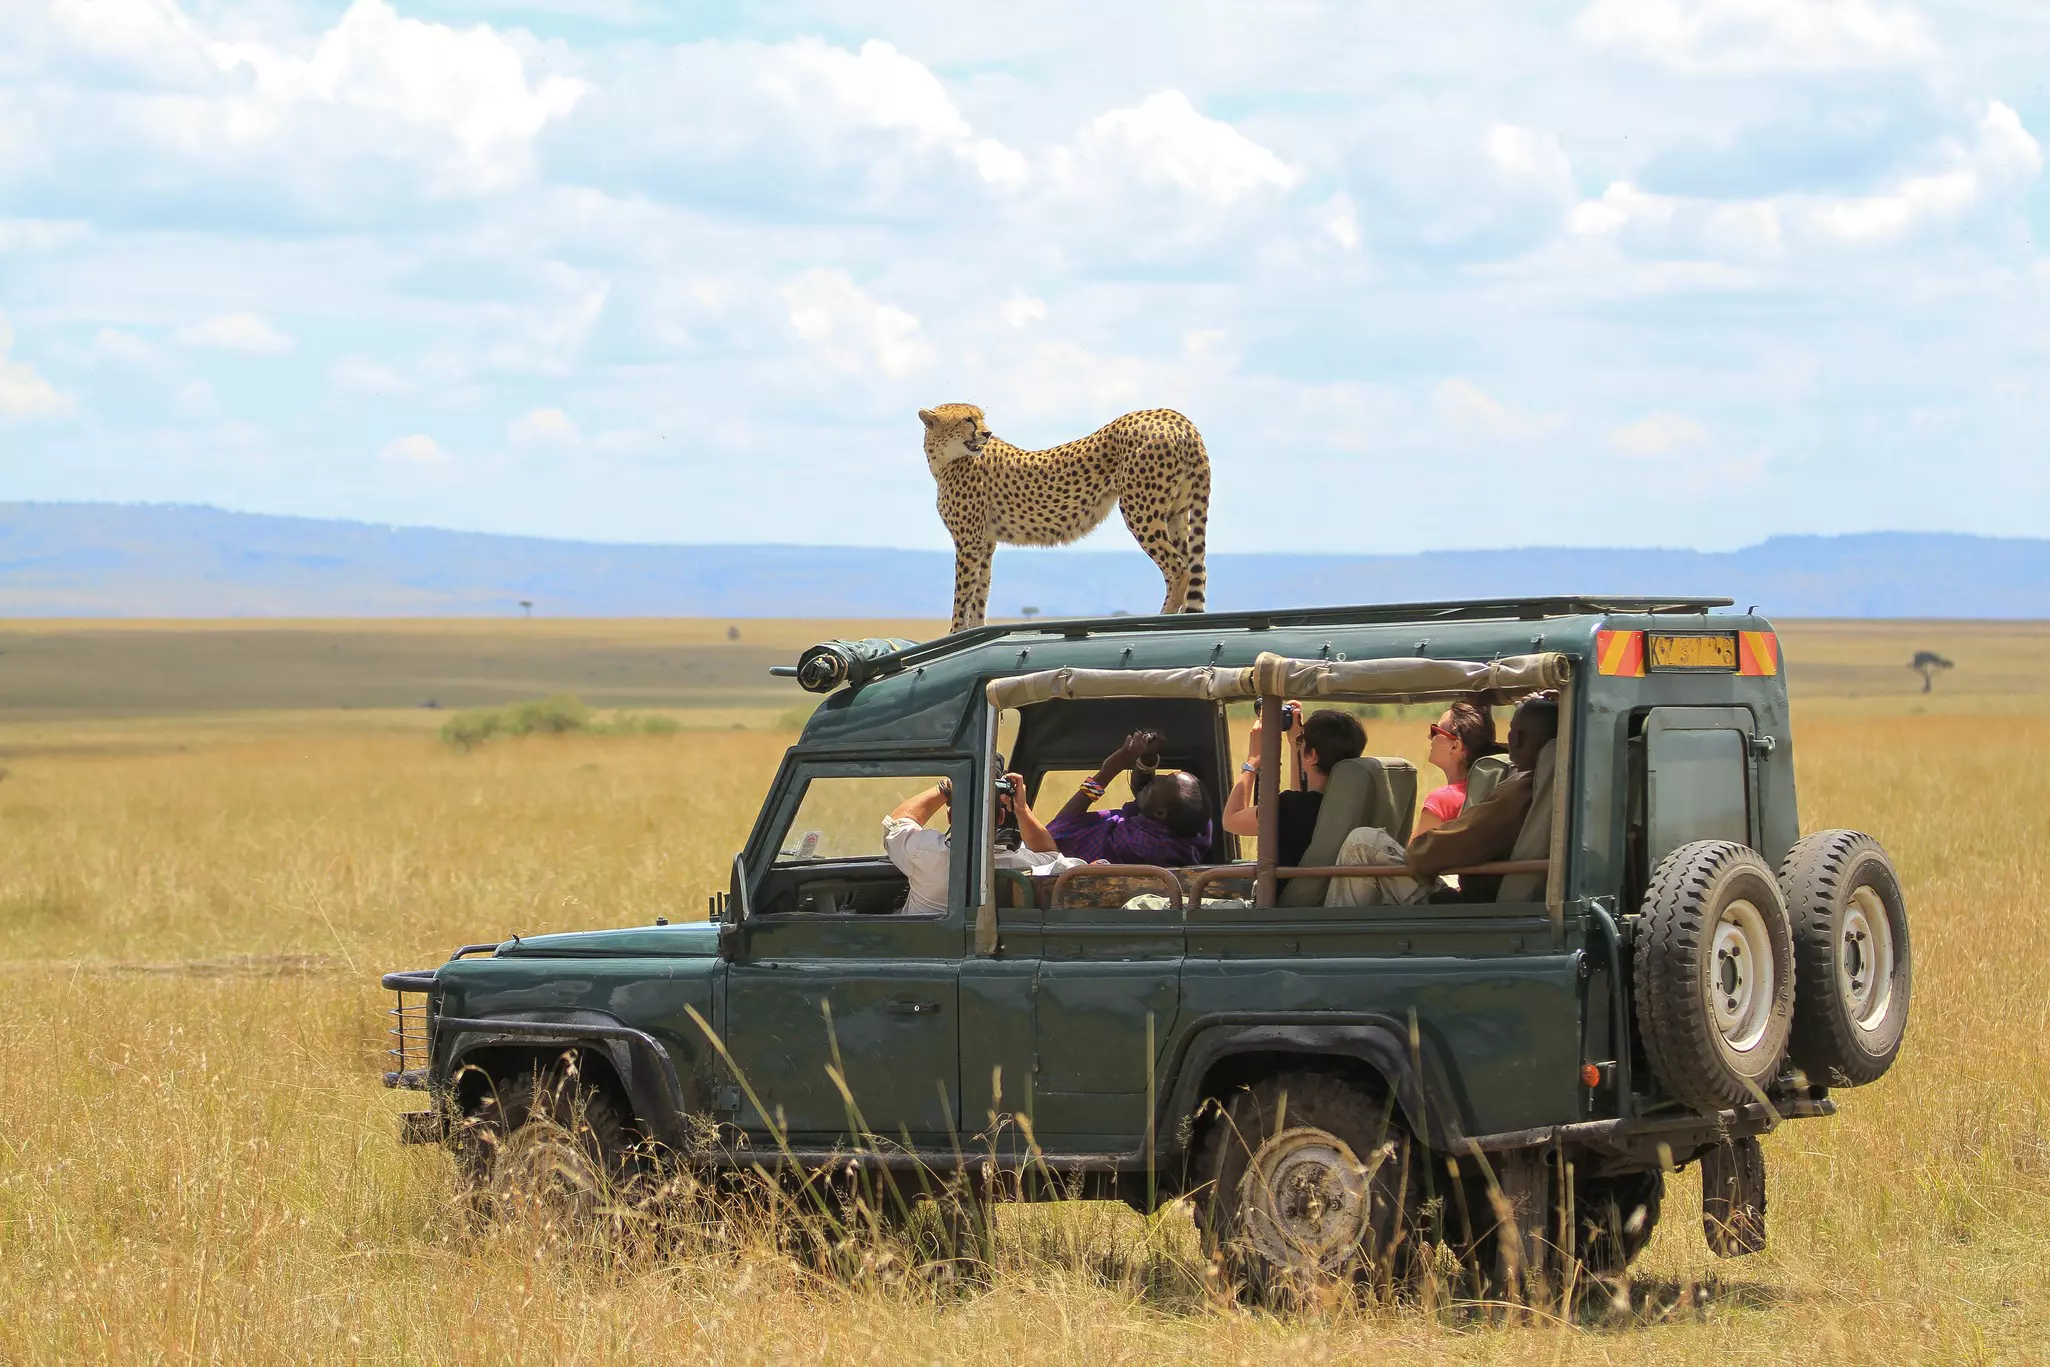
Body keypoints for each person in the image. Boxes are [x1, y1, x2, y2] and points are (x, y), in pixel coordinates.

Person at [1407, 692, 1560, 899]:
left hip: (1477, 907)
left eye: (1513, 729)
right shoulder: (1560, 787)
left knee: (1364, 841)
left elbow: (1435, 850)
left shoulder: (1519, 792)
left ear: (1519, 738)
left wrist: (1414, 851)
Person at [883, 769, 1080, 916]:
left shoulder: (925, 852)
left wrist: (946, 786)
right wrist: (1021, 809)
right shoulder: (1027, 866)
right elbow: (1051, 854)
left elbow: (895, 825)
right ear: (1001, 817)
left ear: (950, 816)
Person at [1221, 703, 1367, 869]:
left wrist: (1253, 759)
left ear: (1312, 755)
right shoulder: (1354, 803)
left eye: (1302, 742)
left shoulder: (1292, 807)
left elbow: (1231, 819)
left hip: (1285, 895)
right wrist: (1295, 742)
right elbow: (1302, 798)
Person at [1047, 729, 1214, 866]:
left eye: (1165, 781)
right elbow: (1147, 798)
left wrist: (1107, 773)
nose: (1157, 777)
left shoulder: (1134, 845)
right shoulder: (1191, 832)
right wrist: (1148, 759)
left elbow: (1060, 829)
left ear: (1161, 813)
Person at [1413, 699, 1500, 838]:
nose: (1430, 737)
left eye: (1435, 731)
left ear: (1455, 746)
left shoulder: (1441, 800)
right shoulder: (1494, 793)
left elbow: (1412, 856)